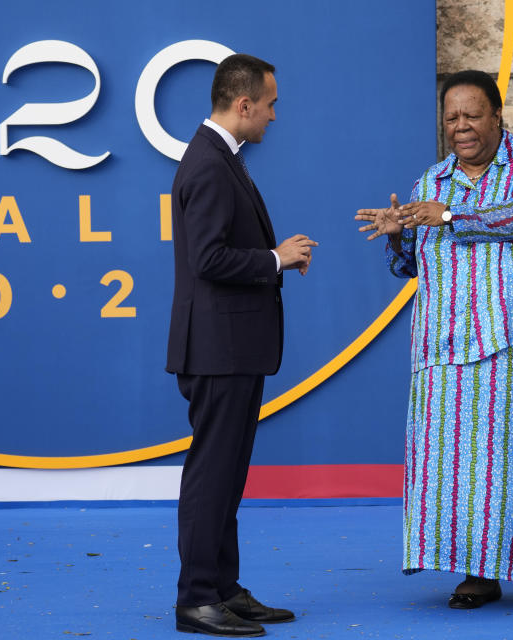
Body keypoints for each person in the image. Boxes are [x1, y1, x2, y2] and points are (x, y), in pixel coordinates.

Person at [355, 69, 513, 617]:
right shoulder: (429, 183)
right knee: (464, 471)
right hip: (448, 351)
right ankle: (480, 571)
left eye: (472, 115)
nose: (462, 127)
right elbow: (411, 267)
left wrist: (450, 214)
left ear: (497, 116)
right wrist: (399, 234)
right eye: (451, 118)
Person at [166, 53, 317, 637]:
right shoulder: (207, 164)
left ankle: (223, 589)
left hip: (231, 347)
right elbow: (207, 259)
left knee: (227, 473)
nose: (274, 116)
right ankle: (197, 598)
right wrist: (275, 259)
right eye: (271, 104)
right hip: (218, 349)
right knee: (212, 472)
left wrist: (275, 256)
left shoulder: (221, 158)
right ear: (244, 104)